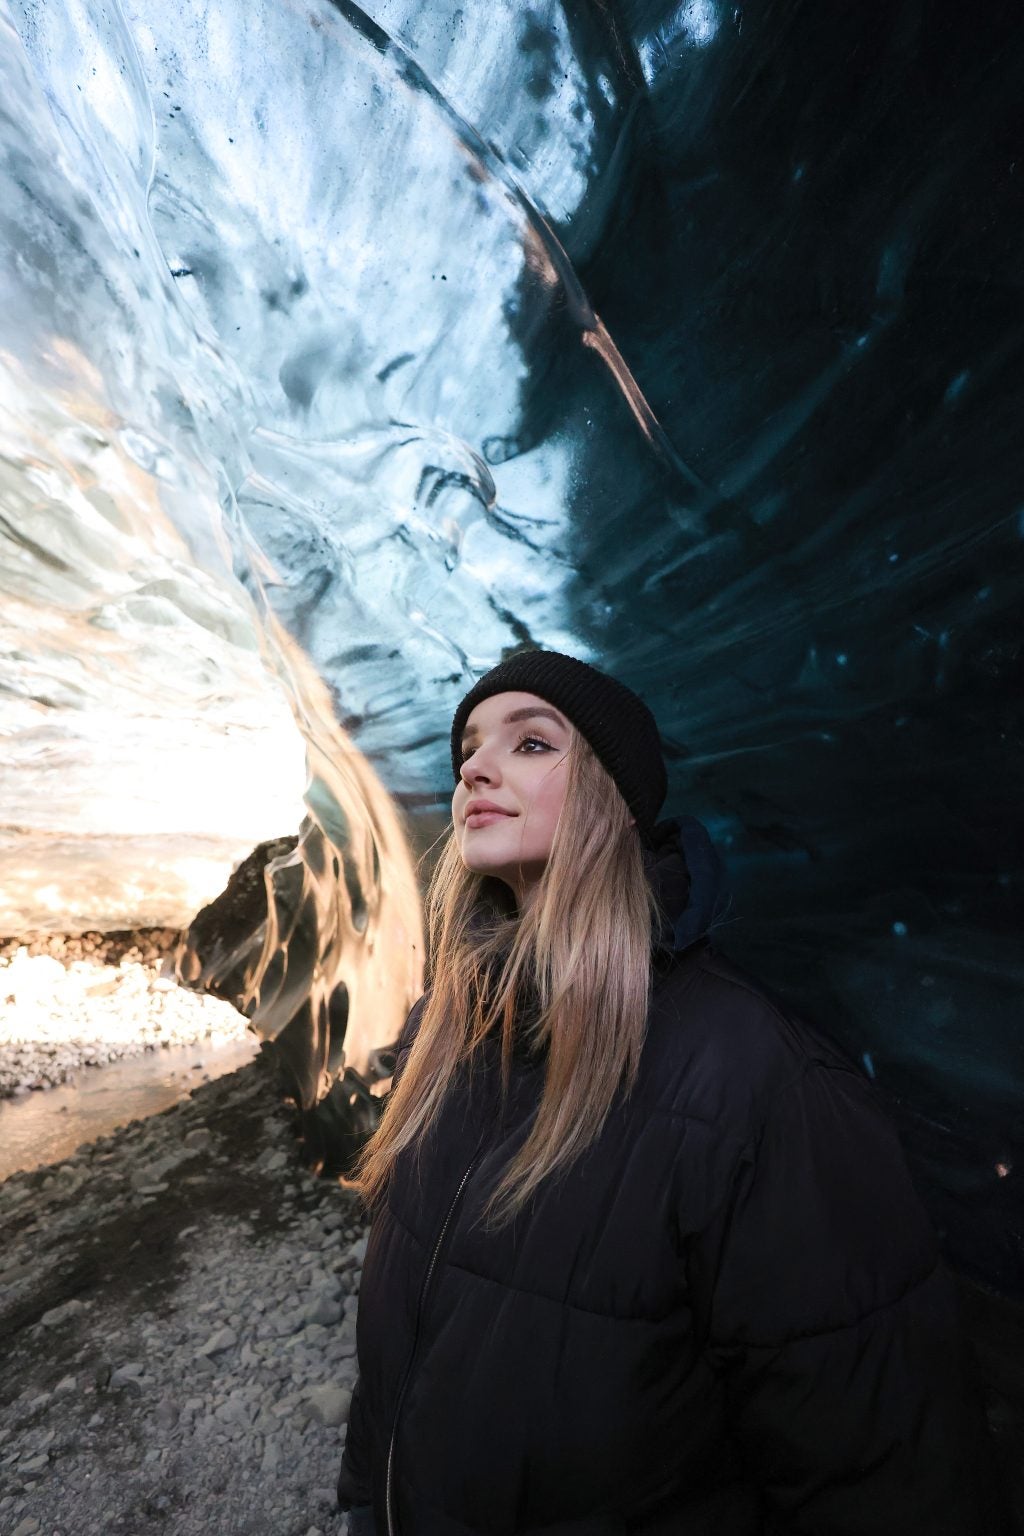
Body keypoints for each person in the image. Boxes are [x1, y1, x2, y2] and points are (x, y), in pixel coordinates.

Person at [336, 649, 1011, 1536]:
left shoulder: (749, 1078)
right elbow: (406, 1353)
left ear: (613, 796)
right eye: (468, 748)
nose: (473, 768)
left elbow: (877, 1464)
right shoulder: (447, 1031)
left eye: (533, 743)